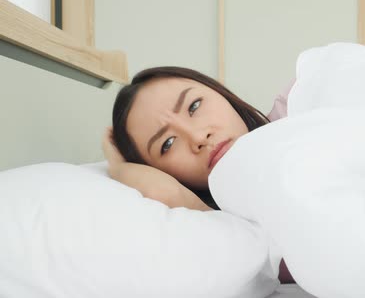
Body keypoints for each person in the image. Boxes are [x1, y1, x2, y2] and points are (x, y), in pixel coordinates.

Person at [102, 66, 295, 283]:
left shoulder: (300, 100)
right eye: (168, 144)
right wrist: (119, 168)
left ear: (220, 93)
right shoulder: (244, 237)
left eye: (194, 106)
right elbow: (164, 192)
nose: (198, 137)